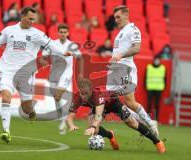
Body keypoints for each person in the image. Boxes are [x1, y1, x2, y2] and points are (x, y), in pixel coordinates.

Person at [0, 7, 72, 143]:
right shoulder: (8, 30)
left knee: (26, 108)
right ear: (22, 16)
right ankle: (6, 131)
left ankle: (31, 112)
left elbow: (51, 44)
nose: (32, 22)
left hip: (26, 74)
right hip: (7, 70)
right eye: (30, 19)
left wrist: (62, 52)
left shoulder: (37, 34)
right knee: (6, 95)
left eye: (34, 19)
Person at [66, 78, 166, 153]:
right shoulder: (77, 97)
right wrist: (71, 125)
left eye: (86, 94)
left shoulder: (97, 95)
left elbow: (99, 114)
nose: (84, 96)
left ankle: (157, 141)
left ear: (91, 90)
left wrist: (93, 126)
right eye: (82, 94)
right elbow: (70, 117)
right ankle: (110, 135)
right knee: (93, 128)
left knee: (132, 123)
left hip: (113, 103)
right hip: (100, 106)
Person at [106, 5, 159, 136]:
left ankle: (150, 123)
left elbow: (136, 48)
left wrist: (119, 56)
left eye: (118, 17)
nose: (116, 20)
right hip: (115, 69)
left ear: (126, 15)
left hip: (125, 68)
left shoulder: (133, 29)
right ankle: (140, 121)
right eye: (115, 18)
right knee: (110, 100)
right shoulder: (120, 32)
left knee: (129, 101)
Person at [40, 23, 84, 135]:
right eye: (61, 32)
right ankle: (61, 118)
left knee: (58, 95)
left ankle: (64, 119)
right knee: (56, 98)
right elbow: (43, 57)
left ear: (68, 33)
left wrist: (80, 72)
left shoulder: (72, 45)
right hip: (54, 74)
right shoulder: (52, 44)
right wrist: (44, 62)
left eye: (65, 32)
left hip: (66, 73)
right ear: (58, 33)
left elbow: (80, 57)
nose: (63, 34)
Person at [145, 56, 166, 121]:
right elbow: (145, 78)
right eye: (156, 59)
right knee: (149, 104)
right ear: (154, 60)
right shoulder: (149, 67)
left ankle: (155, 119)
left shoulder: (163, 68)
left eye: (158, 59)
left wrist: (163, 87)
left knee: (156, 105)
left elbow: (165, 79)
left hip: (159, 89)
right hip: (150, 88)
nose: (157, 61)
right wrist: (146, 86)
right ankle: (148, 119)